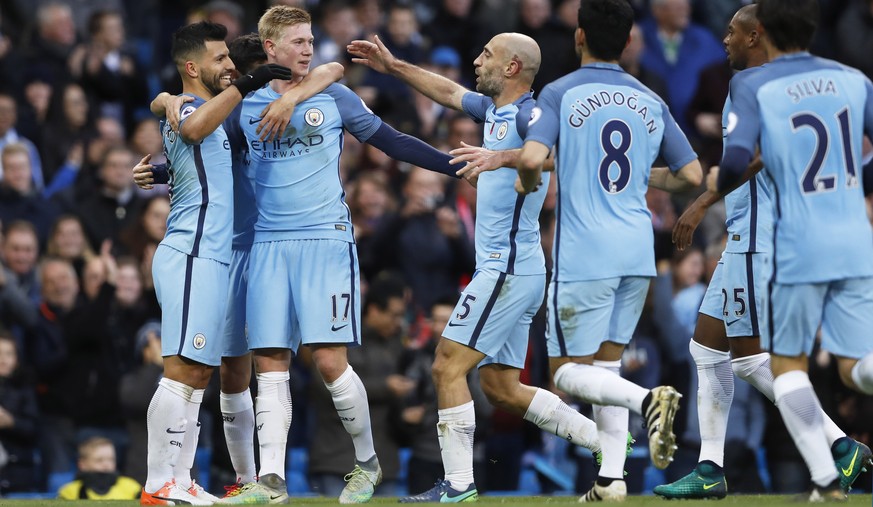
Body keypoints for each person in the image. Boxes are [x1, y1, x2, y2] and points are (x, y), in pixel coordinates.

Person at [349, 28, 607, 503]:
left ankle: (460, 486)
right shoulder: (494, 109)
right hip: (515, 269)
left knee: (447, 365)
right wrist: (395, 67)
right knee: (502, 387)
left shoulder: (532, 114)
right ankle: (606, 445)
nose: (477, 60)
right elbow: (447, 91)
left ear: (512, 67)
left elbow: (567, 154)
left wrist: (501, 157)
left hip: (506, 268)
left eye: (487, 54)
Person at [230, 5, 468, 504]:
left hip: (326, 240)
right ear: (270, 48)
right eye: (297, 41)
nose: (308, 49)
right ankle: (271, 480)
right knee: (269, 360)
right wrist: (163, 171)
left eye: (311, 41)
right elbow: (212, 154)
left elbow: (392, 142)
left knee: (330, 361)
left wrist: (455, 165)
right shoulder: (244, 104)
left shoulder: (334, 96)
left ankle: (366, 463)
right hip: (267, 242)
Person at [656, 5, 873, 499]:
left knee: (759, 361)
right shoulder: (829, 83)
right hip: (762, 232)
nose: (725, 40)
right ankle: (716, 464)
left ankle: (834, 449)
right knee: (711, 348)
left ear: (757, 36)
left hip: (759, 235)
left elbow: (748, 159)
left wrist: (701, 202)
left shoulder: (756, 86)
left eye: (732, 32)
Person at [136, 27, 341, 502]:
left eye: (230, 57)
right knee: (181, 370)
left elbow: (200, 141)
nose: (228, 64)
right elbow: (189, 126)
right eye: (218, 57)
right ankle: (157, 482)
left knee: (197, 373)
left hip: (213, 257)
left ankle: (181, 478)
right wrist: (239, 86)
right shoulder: (189, 108)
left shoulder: (206, 110)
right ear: (192, 68)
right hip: (190, 253)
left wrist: (161, 103)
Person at [516, 0, 703, 501]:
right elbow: (691, 176)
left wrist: (528, 180)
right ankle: (611, 479)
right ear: (626, 43)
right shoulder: (649, 97)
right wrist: (645, 175)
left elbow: (533, 156)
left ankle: (649, 401)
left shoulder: (559, 92)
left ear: (579, 37)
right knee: (605, 368)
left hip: (584, 251)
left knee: (567, 374)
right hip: (639, 250)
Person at [58, 436, 141, 500]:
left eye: (111, 459)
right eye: (99, 460)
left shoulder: (131, 487)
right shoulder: (70, 491)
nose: (106, 464)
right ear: (82, 464)